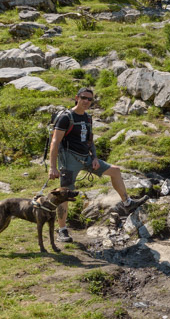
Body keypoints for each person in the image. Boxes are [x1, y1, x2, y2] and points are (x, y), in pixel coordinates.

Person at [48, 87, 148, 242]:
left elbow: (90, 140)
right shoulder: (66, 117)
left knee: (115, 171)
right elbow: (55, 142)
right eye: (84, 98)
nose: (87, 102)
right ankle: (62, 231)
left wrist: (94, 158)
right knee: (65, 194)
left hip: (86, 158)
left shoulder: (88, 118)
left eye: (90, 99)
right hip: (68, 160)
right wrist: (53, 167)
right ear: (77, 97)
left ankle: (127, 203)